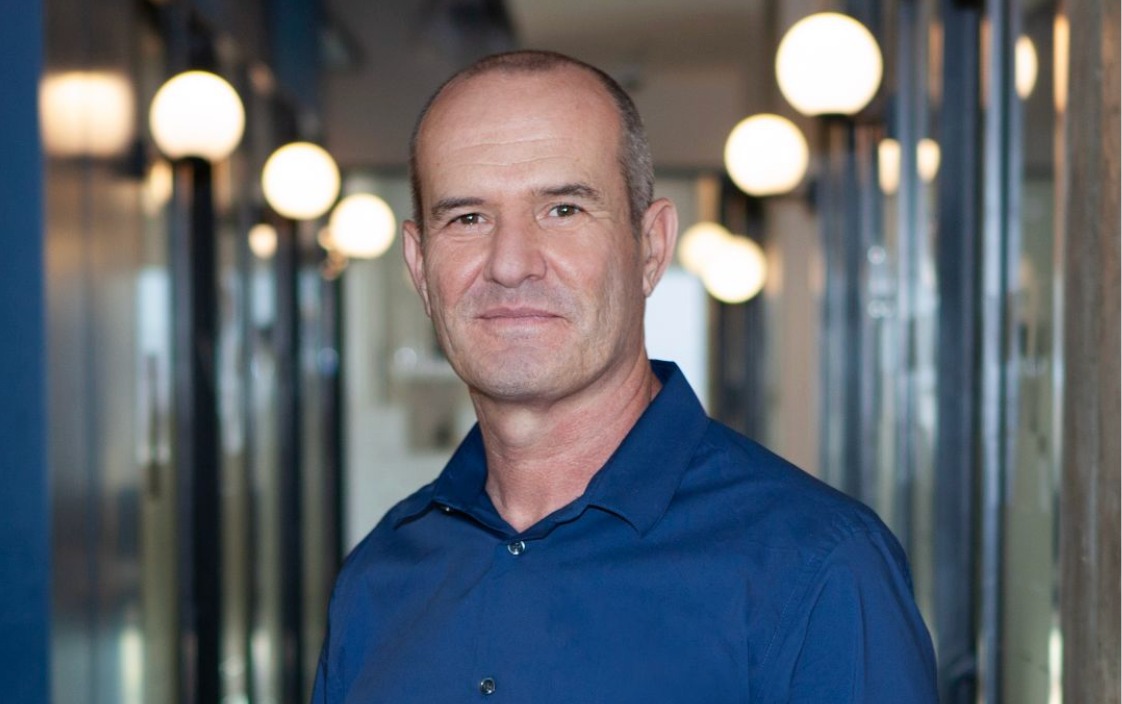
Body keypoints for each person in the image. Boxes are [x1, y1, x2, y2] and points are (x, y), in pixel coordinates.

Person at [312, 49, 937, 703]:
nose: (511, 263)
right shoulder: (378, 580)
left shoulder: (817, 570)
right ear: (419, 266)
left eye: (563, 210)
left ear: (652, 247)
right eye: (468, 218)